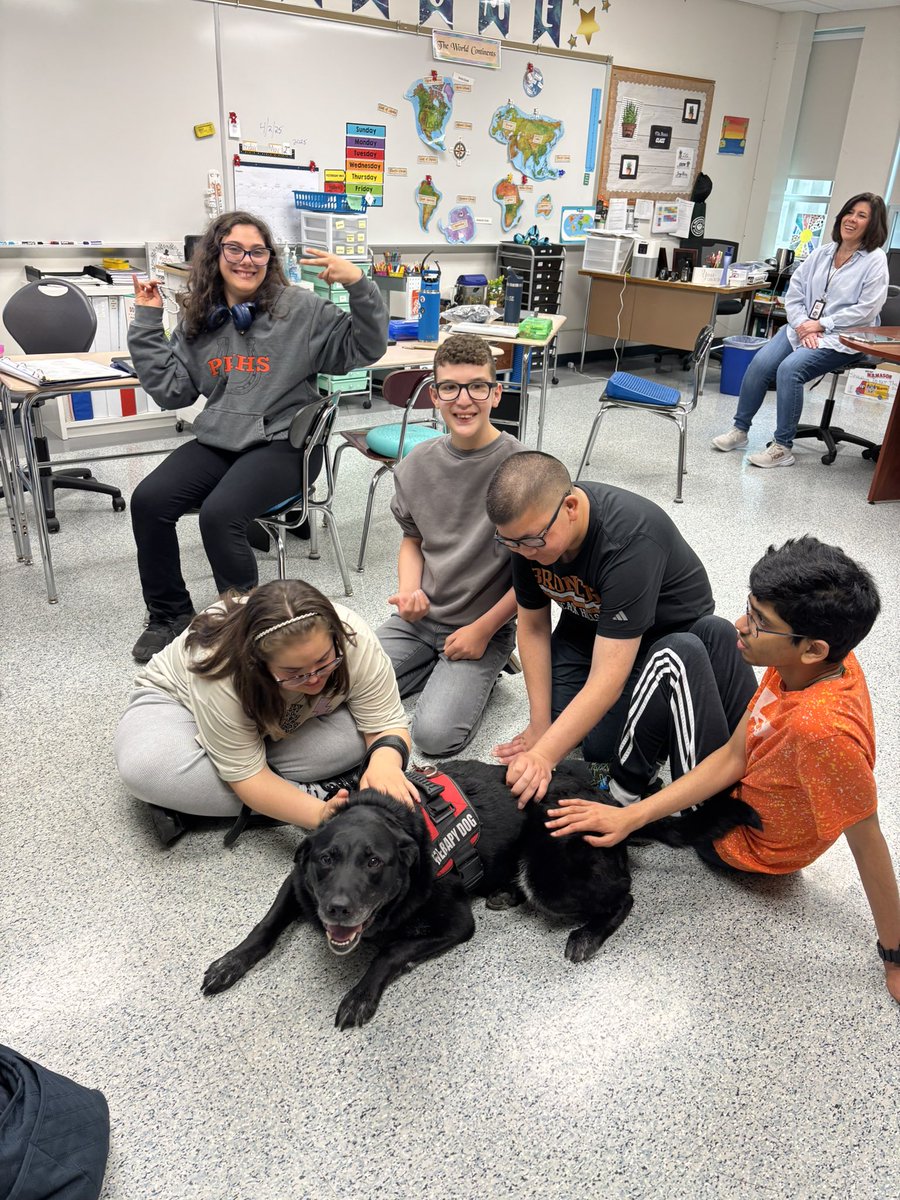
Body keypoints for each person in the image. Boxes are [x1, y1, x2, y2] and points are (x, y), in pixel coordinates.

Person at [546, 537, 900, 1005]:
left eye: (760, 622)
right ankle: (630, 790)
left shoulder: (822, 732)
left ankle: (623, 794)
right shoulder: (818, 662)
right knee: (712, 631)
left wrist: (895, 957)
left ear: (812, 649)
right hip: (755, 771)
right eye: (751, 610)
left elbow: (868, 841)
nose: (743, 624)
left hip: (737, 838)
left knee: (674, 655)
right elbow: (736, 753)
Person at [126, 210, 388, 662]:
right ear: (215, 254)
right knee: (148, 501)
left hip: (285, 444)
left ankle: (243, 625)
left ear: (270, 258)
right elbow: (172, 392)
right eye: (234, 249)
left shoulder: (300, 309)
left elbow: (366, 347)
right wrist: (148, 322)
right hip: (221, 438)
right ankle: (169, 614)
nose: (246, 260)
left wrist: (358, 285)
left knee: (220, 514)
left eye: (257, 251)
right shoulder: (201, 317)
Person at [114, 578, 418, 845]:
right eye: (294, 672)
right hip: (178, 706)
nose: (314, 680)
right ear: (257, 664)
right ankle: (309, 793)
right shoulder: (220, 666)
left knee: (357, 741)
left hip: (287, 724)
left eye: (324, 661)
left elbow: (387, 722)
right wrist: (320, 814)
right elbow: (248, 776)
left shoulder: (353, 635)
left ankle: (209, 804)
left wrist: (385, 766)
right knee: (147, 770)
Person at [485, 451, 714, 804]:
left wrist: (543, 756)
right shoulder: (528, 533)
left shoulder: (629, 541)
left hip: (661, 639)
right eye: (509, 542)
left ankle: (659, 735)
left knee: (601, 750)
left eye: (530, 542)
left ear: (571, 507)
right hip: (587, 623)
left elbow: (609, 677)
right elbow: (532, 628)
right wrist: (540, 726)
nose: (523, 553)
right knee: (555, 722)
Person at [376, 333, 524, 756]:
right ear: (434, 396)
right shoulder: (416, 464)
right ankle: (437, 667)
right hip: (419, 621)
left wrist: (484, 630)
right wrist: (409, 591)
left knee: (434, 737)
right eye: (450, 388)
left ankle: (489, 666)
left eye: (477, 387)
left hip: (482, 625)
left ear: (496, 394)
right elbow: (412, 538)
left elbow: (536, 575)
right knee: (345, 682)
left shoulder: (520, 469)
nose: (463, 400)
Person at [712, 192, 889, 468]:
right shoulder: (823, 252)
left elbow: (867, 309)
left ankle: (782, 446)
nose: (852, 219)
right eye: (849, 212)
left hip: (844, 336)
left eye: (861, 215)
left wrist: (822, 324)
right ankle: (740, 430)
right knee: (759, 364)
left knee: (790, 370)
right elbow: (794, 293)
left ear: (873, 224)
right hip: (803, 326)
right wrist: (803, 325)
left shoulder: (874, 260)